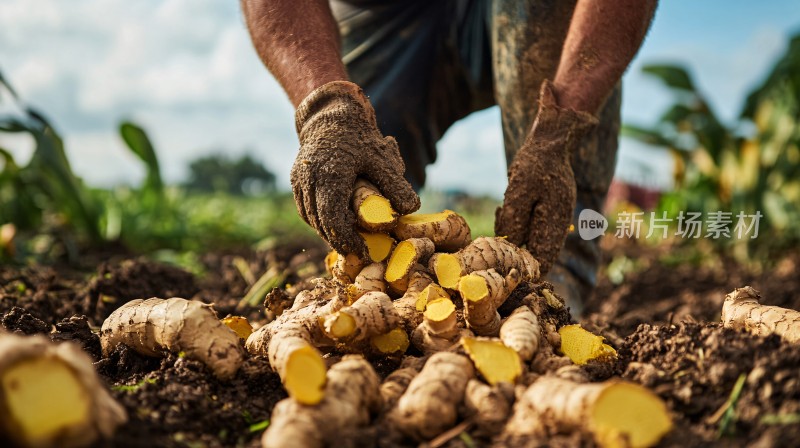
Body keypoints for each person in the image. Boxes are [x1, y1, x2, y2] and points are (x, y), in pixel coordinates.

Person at [241, 0, 657, 314]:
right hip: (383, 12)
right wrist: (325, 107)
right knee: (354, 181)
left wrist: (560, 128)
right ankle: (378, 283)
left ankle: (549, 282)